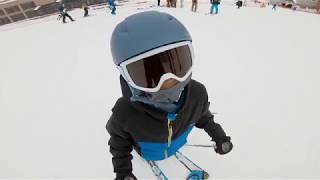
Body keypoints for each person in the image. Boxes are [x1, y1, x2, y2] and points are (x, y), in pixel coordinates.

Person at [107, 11, 233, 180]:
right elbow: (119, 144)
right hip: (147, 152)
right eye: (150, 75)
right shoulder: (125, 113)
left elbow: (204, 118)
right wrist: (123, 171)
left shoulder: (196, 94)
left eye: (176, 66)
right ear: (126, 76)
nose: (168, 82)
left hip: (176, 145)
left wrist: (219, 136)